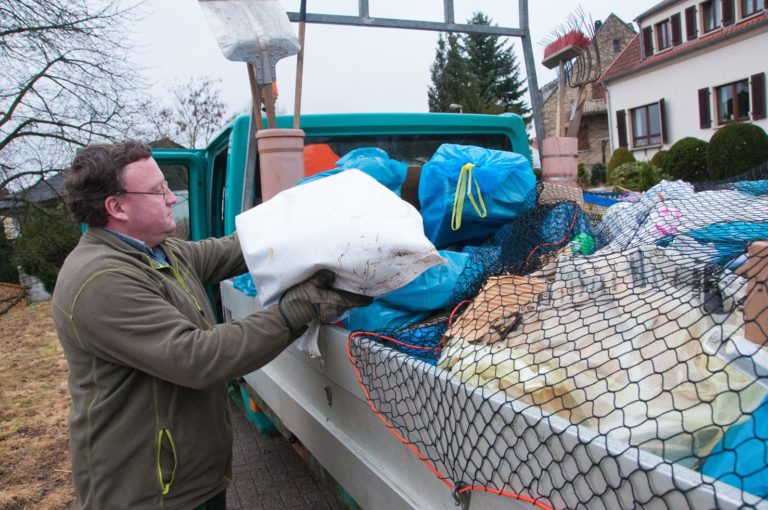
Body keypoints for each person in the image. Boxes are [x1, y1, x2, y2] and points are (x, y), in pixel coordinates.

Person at [51, 141, 370, 510]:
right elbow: (199, 357)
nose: (171, 198)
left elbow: (238, 249)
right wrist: (298, 309)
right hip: (149, 492)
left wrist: (309, 220)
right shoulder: (101, 280)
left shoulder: (159, 251)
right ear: (116, 207)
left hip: (188, 477)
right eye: (158, 191)